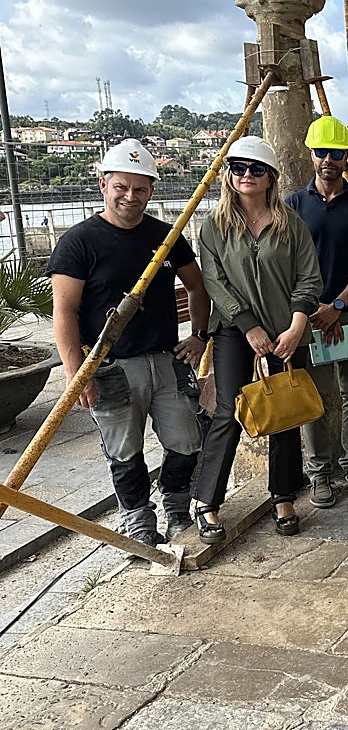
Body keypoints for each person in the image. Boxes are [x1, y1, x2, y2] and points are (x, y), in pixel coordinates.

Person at [47, 138, 210, 546]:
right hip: (110, 367)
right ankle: (138, 518)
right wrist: (76, 375)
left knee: (186, 441)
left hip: (165, 360)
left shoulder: (165, 236)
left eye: (140, 189)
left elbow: (197, 287)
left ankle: (176, 506)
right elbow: (64, 312)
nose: (130, 197)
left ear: (151, 191)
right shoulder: (79, 242)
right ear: (104, 185)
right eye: (121, 186)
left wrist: (199, 337)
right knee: (124, 452)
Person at [190, 136, 323, 542]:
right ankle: (207, 501)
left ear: (271, 178)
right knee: (229, 408)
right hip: (234, 329)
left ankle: (283, 494)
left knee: (283, 408)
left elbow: (309, 277)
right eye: (238, 168)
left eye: (256, 169)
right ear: (229, 175)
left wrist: (298, 325)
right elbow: (215, 281)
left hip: (286, 329)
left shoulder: (290, 223)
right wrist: (248, 325)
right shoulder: (213, 227)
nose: (247, 175)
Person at [285, 116, 348, 507]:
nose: (329, 159)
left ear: (346, 158)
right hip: (308, 316)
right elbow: (287, 263)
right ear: (312, 154)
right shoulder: (293, 205)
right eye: (322, 152)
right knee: (316, 396)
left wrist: (339, 306)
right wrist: (313, 310)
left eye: (336, 153)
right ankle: (319, 472)